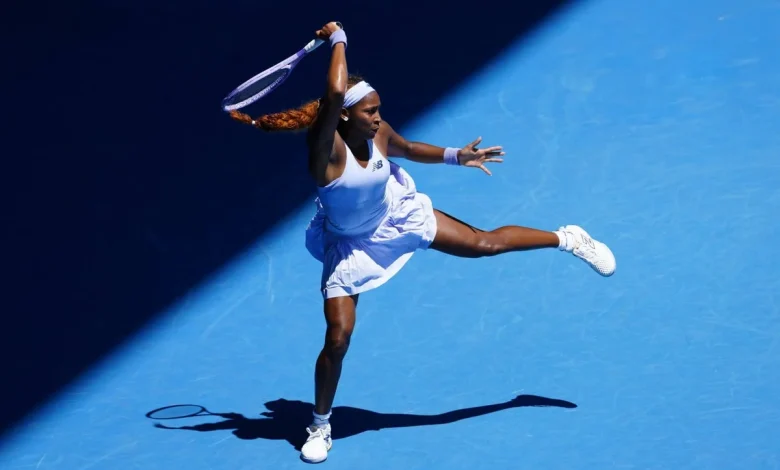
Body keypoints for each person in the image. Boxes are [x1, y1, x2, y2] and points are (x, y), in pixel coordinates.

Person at [229, 22, 616, 464]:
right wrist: (339, 39)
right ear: (343, 116)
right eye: (369, 111)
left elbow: (407, 148)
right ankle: (319, 425)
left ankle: (568, 238)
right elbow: (333, 94)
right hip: (350, 245)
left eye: (378, 109)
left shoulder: (376, 132)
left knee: (483, 244)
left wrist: (457, 155)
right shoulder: (327, 150)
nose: (377, 117)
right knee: (338, 338)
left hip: (397, 214)